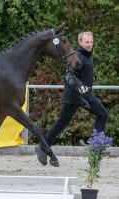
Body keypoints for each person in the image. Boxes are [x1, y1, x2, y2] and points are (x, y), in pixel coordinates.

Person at [35, 31, 109, 166]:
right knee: (61, 123)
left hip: (86, 95)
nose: (89, 45)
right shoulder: (77, 56)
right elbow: (69, 76)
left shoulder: (87, 56)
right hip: (74, 96)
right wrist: (79, 86)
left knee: (103, 114)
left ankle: (95, 146)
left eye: (91, 42)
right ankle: (42, 147)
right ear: (80, 42)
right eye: (87, 42)